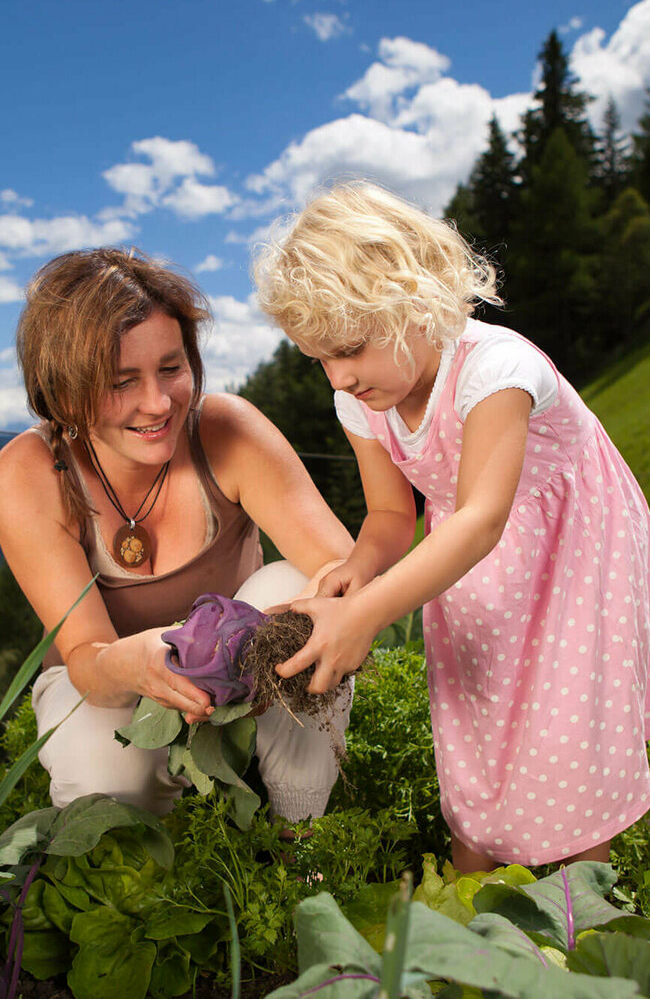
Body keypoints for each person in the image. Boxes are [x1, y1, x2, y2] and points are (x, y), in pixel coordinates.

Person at [254, 180, 650, 873]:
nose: (339, 376)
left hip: (569, 553)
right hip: (468, 559)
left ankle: (580, 905)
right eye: (319, 358)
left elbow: (482, 518)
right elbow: (388, 516)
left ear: (417, 302)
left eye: (350, 347)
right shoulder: (364, 400)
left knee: (564, 727)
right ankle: (478, 884)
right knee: (478, 711)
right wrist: (360, 568)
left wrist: (368, 615)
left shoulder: (496, 370)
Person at [0, 247, 354, 820]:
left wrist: (294, 635)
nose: (158, 403)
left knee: (299, 586)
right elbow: (85, 656)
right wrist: (133, 665)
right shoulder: (29, 471)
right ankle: (134, 856)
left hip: (242, 674)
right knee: (103, 769)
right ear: (65, 391)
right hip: (105, 681)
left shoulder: (227, 430)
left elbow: (344, 571)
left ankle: (301, 828)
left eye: (171, 368)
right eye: (121, 381)